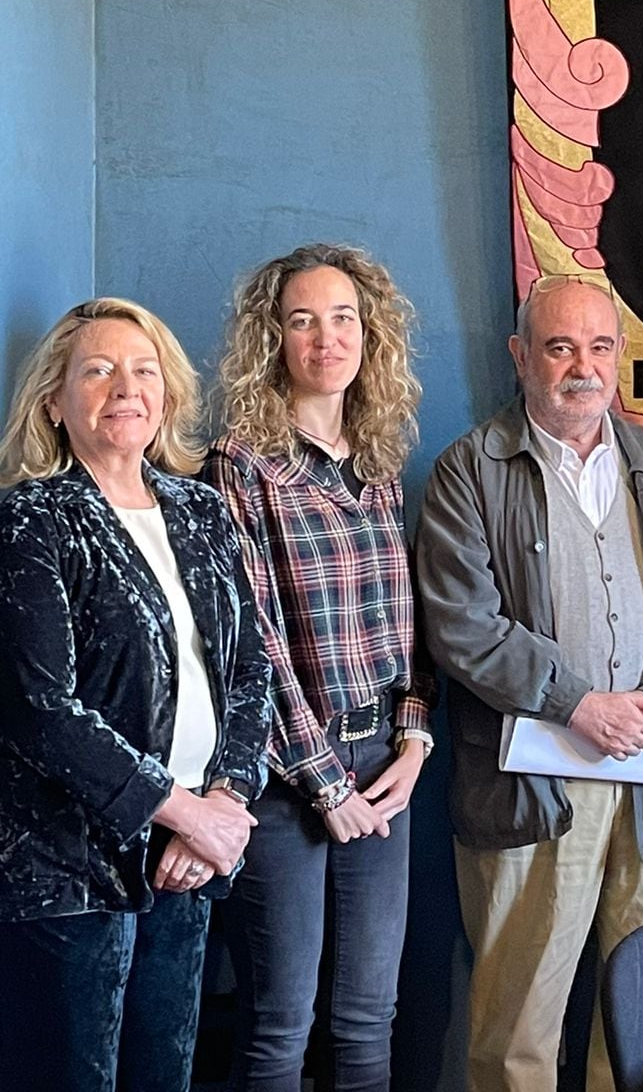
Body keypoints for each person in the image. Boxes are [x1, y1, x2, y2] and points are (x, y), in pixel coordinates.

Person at [415, 274, 643, 1092]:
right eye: (560, 348)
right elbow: (462, 624)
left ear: (620, 356)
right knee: (517, 1025)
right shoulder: (469, 470)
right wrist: (579, 704)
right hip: (535, 787)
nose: (581, 368)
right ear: (522, 357)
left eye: (598, 348)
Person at [0, 299, 270, 1092]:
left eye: (143, 370)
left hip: (187, 861)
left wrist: (219, 808)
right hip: (65, 870)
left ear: (168, 393)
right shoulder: (32, 520)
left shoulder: (203, 509)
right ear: (54, 400)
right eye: (98, 370)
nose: (125, 387)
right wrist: (184, 810)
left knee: (166, 1074)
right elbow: (38, 708)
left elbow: (250, 672)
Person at [204, 244, 433, 1092]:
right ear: (274, 339)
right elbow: (249, 640)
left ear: (369, 336)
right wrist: (324, 783)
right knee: (279, 1026)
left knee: (372, 1015)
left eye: (343, 319)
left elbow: (404, 629)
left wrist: (413, 742)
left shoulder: (378, 466)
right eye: (303, 320)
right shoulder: (240, 464)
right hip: (285, 776)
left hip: (385, 768)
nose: (326, 339)